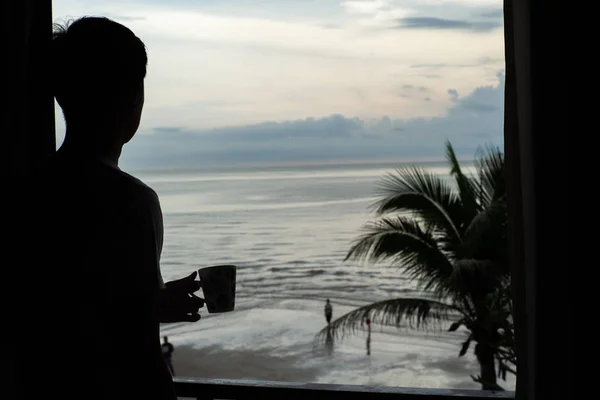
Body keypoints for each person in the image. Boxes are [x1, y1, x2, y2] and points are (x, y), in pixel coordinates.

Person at [13, 16, 204, 400]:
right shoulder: (131, 201)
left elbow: (62, 309)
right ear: (135, 96)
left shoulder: (26, 190)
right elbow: (140, 354)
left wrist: (150, 303)